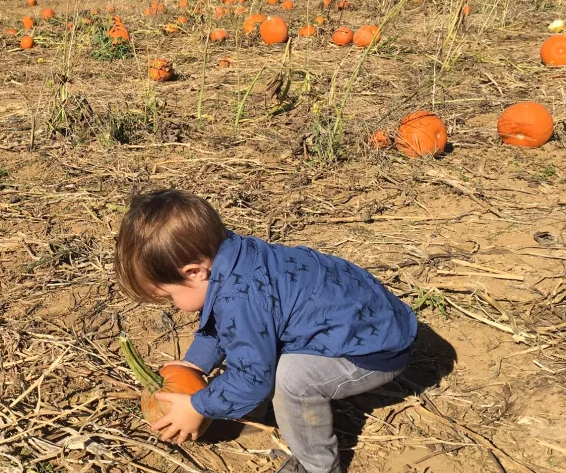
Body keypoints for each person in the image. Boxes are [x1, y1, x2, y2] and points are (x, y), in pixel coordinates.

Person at [114, 189, 417, 473]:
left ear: (195, 271)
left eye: (169, 296)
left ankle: (316, 465)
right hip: (370, 321)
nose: (172, 305)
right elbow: (226, 326)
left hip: (373, 350)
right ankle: (258, 413)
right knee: (261, 346)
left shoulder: (241, 298)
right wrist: (194, 364)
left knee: (293, 380)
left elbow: (252, 378)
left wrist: (198, 405)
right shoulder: (233, 258)